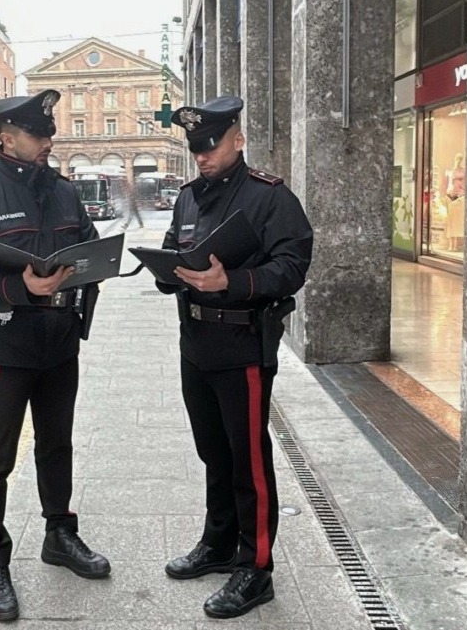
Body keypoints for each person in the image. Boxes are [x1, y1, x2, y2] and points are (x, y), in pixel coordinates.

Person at [0, 89, 110, 623]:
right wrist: (22, 287)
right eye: (38, 136)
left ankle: (60, 534)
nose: (46, 144)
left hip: (58, 342)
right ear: (7, 136)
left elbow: (86, 245)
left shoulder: (64, 192)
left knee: (57, 444)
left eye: (49, 135)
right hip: (6, 345)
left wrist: (92, 269)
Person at [155, 94, 313, 620]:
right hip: (196, 344)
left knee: (249, 461)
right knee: (213, 453)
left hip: (243, 344)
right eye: (195, 146)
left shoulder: (269, 196)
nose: (202, 155)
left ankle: (256, 566)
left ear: (238, 140)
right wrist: (164, 268)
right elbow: (173, 245)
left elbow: (292, 266)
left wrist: (236, 281)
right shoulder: (188, 197)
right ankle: (218, 543)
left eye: (212, 145)